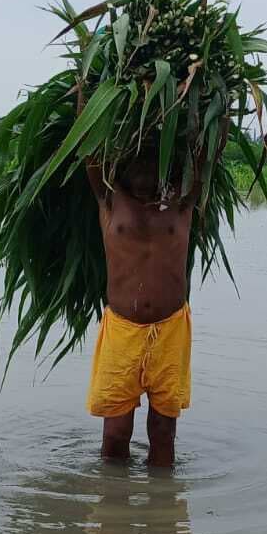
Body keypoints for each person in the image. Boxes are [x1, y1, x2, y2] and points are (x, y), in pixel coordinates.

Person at [83, 148, 198, 469]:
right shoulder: (109, 198)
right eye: (139, 161)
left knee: (164, 431)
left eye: (153, 159)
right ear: (121, 165)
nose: (145, 170)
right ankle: (113, 505)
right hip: (122, 330)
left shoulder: (182, 199)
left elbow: (207, 155)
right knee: (116, 432)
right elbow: (89, 150)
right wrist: (84, 97)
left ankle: (162, 508)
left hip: (171, 329)